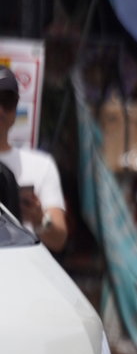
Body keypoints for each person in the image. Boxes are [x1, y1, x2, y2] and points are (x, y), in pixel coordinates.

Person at [0, 66, 68, 252]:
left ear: (16, 107)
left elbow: (59, 238)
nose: (0, 111)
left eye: (7, 101)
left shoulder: (41, 166)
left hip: (22, 272)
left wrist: (39, 219)